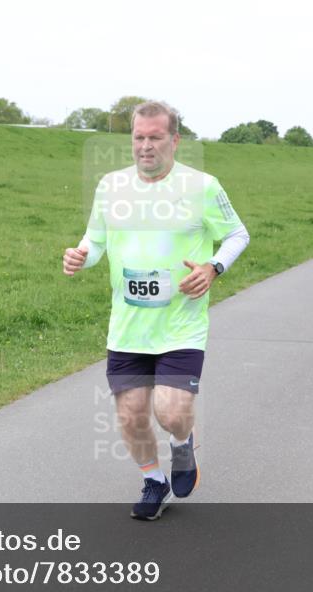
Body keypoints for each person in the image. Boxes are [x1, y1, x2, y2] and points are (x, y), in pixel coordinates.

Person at [63, 101, 249, 521]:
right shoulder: (111, 186)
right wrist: (80, 256)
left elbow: (238, 234)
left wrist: (213, 267)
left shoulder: (202, 186)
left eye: (155, 137)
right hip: (128, 326)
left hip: (181, 324)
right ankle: (153, 480)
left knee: (171, 411)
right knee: (130, 417)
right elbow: (95, 241)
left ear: (174, 140)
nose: (145, 146)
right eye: (138, 138)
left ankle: (182, 446)